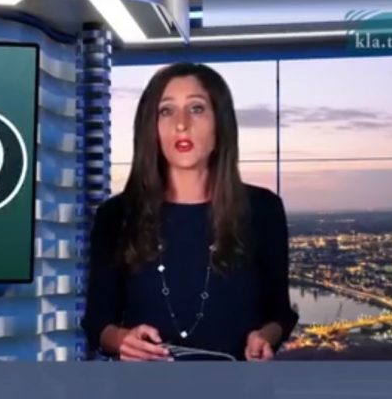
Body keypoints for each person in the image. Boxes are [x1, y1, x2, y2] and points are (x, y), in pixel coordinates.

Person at [81, 62, 298, 361]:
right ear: (150, 127)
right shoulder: (116, 215)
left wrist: (264, 338)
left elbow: (280, 315)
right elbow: (97, 324)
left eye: (196, 108)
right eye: (166, 111)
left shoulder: (263, 209)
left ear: (220, 123)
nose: (181, 124)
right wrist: (122, 341)